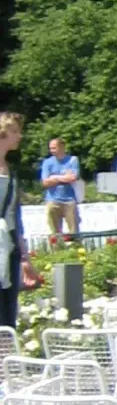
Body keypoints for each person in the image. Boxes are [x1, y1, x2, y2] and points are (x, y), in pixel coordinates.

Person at [0, 112, 39, 331]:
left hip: (9, 247)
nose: (19, 136)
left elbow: (15, 217)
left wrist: (25, 258)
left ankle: (4, 361)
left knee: (8, 314)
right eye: (14, 131)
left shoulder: (10, 172)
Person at [39, 136, 82, 238]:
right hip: (52, 200)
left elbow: (72, 178)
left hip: (69, 199)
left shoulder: (72, 160)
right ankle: (58, 251)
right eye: (50, 148)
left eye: (54, 148)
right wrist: (64, 177)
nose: (52, 151)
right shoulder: (47, 162)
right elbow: (45, 182)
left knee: (74, 231)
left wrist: (54, 177)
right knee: (55, 233)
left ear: (62, 147)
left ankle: (76, 250)